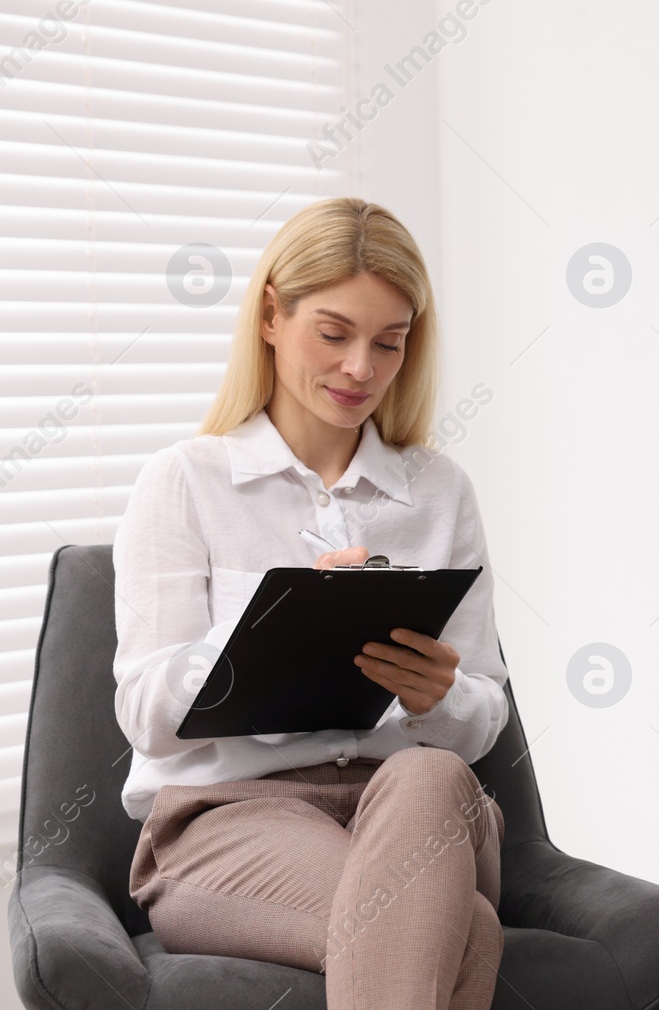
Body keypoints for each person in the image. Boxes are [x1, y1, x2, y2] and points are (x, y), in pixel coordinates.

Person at [111, 197, 510, 1009]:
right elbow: (144, 712)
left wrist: (436, 694)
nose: (361, 368)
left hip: (414, 804)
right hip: (230, 820)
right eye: (334, 334)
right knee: (460, 924)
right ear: (269, 315)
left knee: (431, 771)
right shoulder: (185, 481)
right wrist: (265, 630)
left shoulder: (440, 493)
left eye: (389, 343)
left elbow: (483, 720)